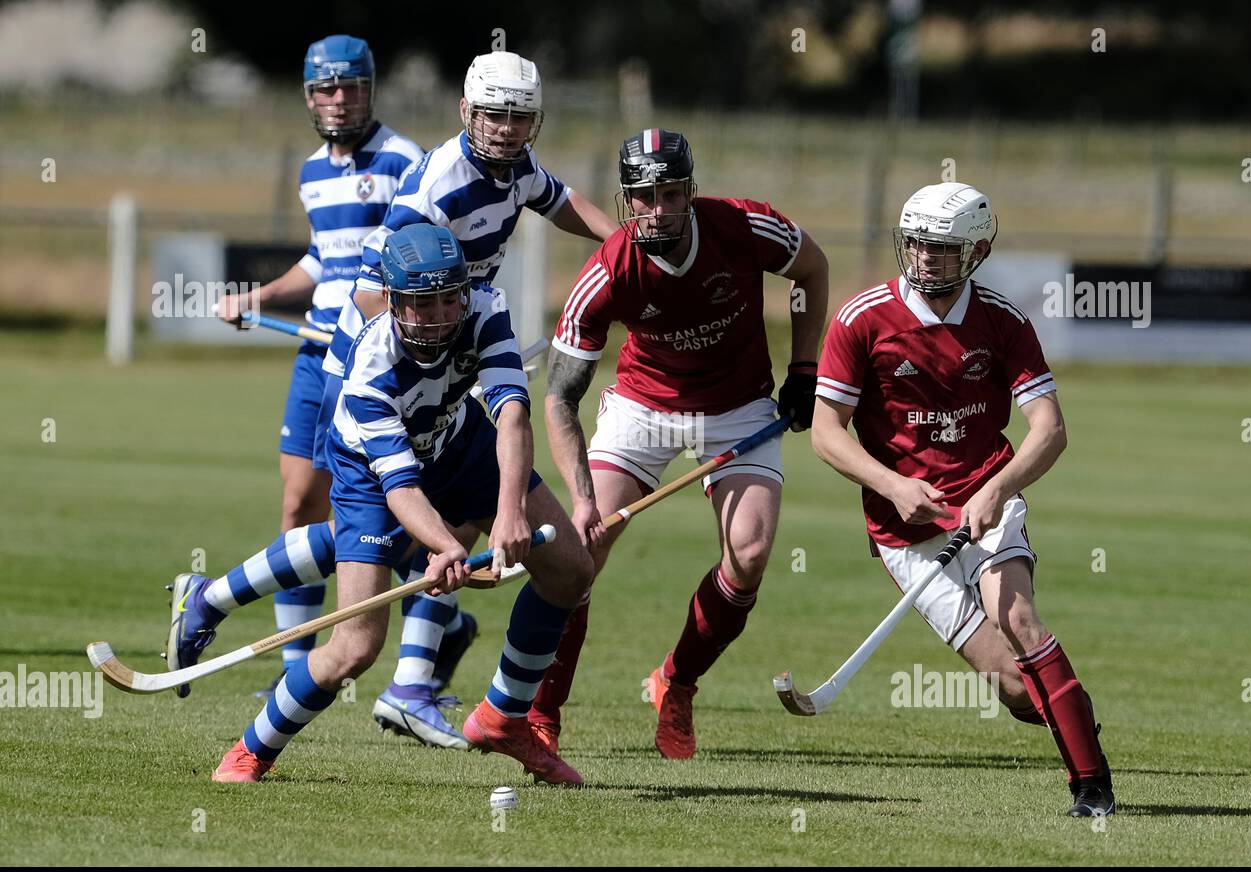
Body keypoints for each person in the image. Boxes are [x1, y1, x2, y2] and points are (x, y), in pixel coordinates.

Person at [170, 51, 614, 750]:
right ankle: (345, 671)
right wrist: (425, 337)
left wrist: (624, 250)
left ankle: (419, 686)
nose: (505, 129)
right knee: (371, 533)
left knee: (413, 538)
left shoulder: (516, 167)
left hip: (449, 350)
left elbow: (562, 204)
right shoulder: (434, 183)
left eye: (520, 117)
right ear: (467, 113)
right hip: (381, 363)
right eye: (494, 115)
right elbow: (373, 287)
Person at [212, 223, 594, 785]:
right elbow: (401, 489)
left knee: (570, 571)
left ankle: (503, 716)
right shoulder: (370, 371)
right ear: (391, 300)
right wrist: (447, 548)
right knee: (355, 647)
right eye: (422, 303)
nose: (440, 315)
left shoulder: (485, 306)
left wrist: (509, 512)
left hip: (459, 443)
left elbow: (511, 411)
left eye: (448, 298)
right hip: (370, 472)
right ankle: (250, 751)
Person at [810, 181, 1115, 817]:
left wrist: (996, 489)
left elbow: (1050, 430)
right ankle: (1072, 714)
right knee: (1011, 685)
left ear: (975, 251)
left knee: (1018, 617)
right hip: (902, 531)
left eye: (942, 249)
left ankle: (1093, 789)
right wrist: (892, 486)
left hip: (986, 499)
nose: (925, 258)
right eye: (916, 244)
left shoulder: (1004, 323)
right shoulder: (860, 319)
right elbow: (825, 432)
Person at [539, 128, 829, 759]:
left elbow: (812, 267)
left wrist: (805, 367)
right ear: (626, 199)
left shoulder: (745, 226)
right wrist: (582, 500)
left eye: (671, 194)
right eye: (644, 197)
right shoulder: (607, 271)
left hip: (740, 408)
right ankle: (540, 714)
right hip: (643, 407)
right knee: (579, 554)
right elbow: (559, 399)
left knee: (748, 555)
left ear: (690, 191)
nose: (659, 209)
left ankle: (677, 681)